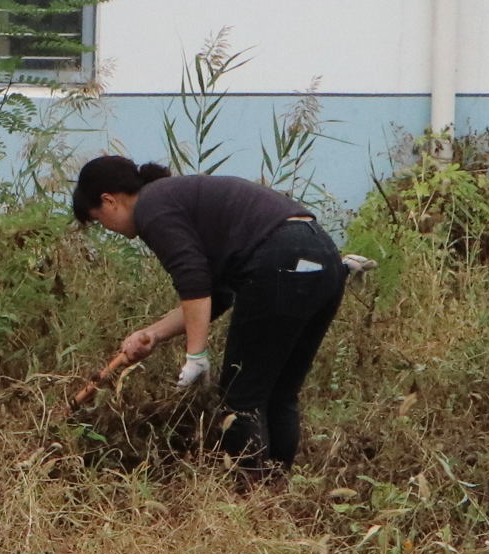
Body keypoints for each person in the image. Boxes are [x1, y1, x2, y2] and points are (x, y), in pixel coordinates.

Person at [73, 156, 349, 470]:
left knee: (240, 399)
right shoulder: (175, 197)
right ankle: (276, 486)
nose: (108, 229)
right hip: (324, 259)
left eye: (99, 220)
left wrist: (196, 355)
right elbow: (214, 298)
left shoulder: (151, 206)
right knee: (279, 393)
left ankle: (250, 490)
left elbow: (192, 279)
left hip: (280, 262)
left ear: (109, 201)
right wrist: (153, 334)